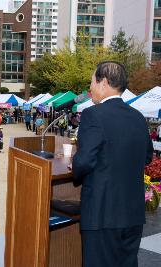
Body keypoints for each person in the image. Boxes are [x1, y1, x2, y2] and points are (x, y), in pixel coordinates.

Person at [72, 62, 154, 267]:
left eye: (92, 82)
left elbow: (84, 161)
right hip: (132, 215)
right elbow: (147, 157)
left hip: (102, 214)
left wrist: (75, 166)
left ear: (104, 83)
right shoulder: (138, 117)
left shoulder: (93, 114)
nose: (90, 88)